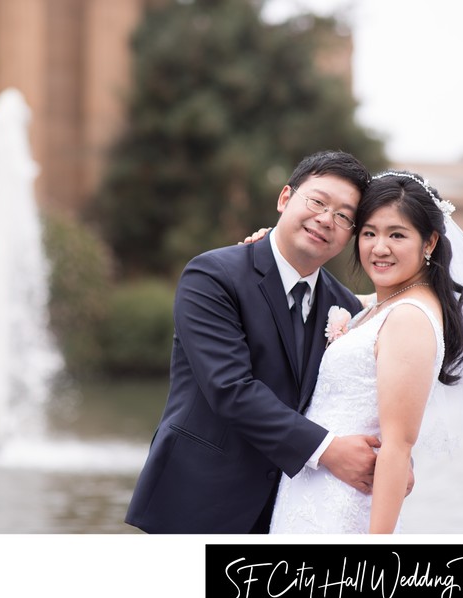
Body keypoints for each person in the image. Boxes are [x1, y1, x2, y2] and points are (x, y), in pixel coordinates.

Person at [125, 150, 407, 534]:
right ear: (285, 198)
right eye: (317, 202)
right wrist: (328, 451)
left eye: (344, 217)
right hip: (198, 501)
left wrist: (393, 461)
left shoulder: (343, 305)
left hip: (290, 509)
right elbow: (230, 389)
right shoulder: (213, 276)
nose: (326, 219)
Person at [266, 170, 463, 533]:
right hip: (311, 494)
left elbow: (397, 448)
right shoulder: (384, 307)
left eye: (397, 235)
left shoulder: (409, 318)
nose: (379, 248)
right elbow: (319, 291)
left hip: (340, 510)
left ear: (430, 242)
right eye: (369, 233)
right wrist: (271, 248)